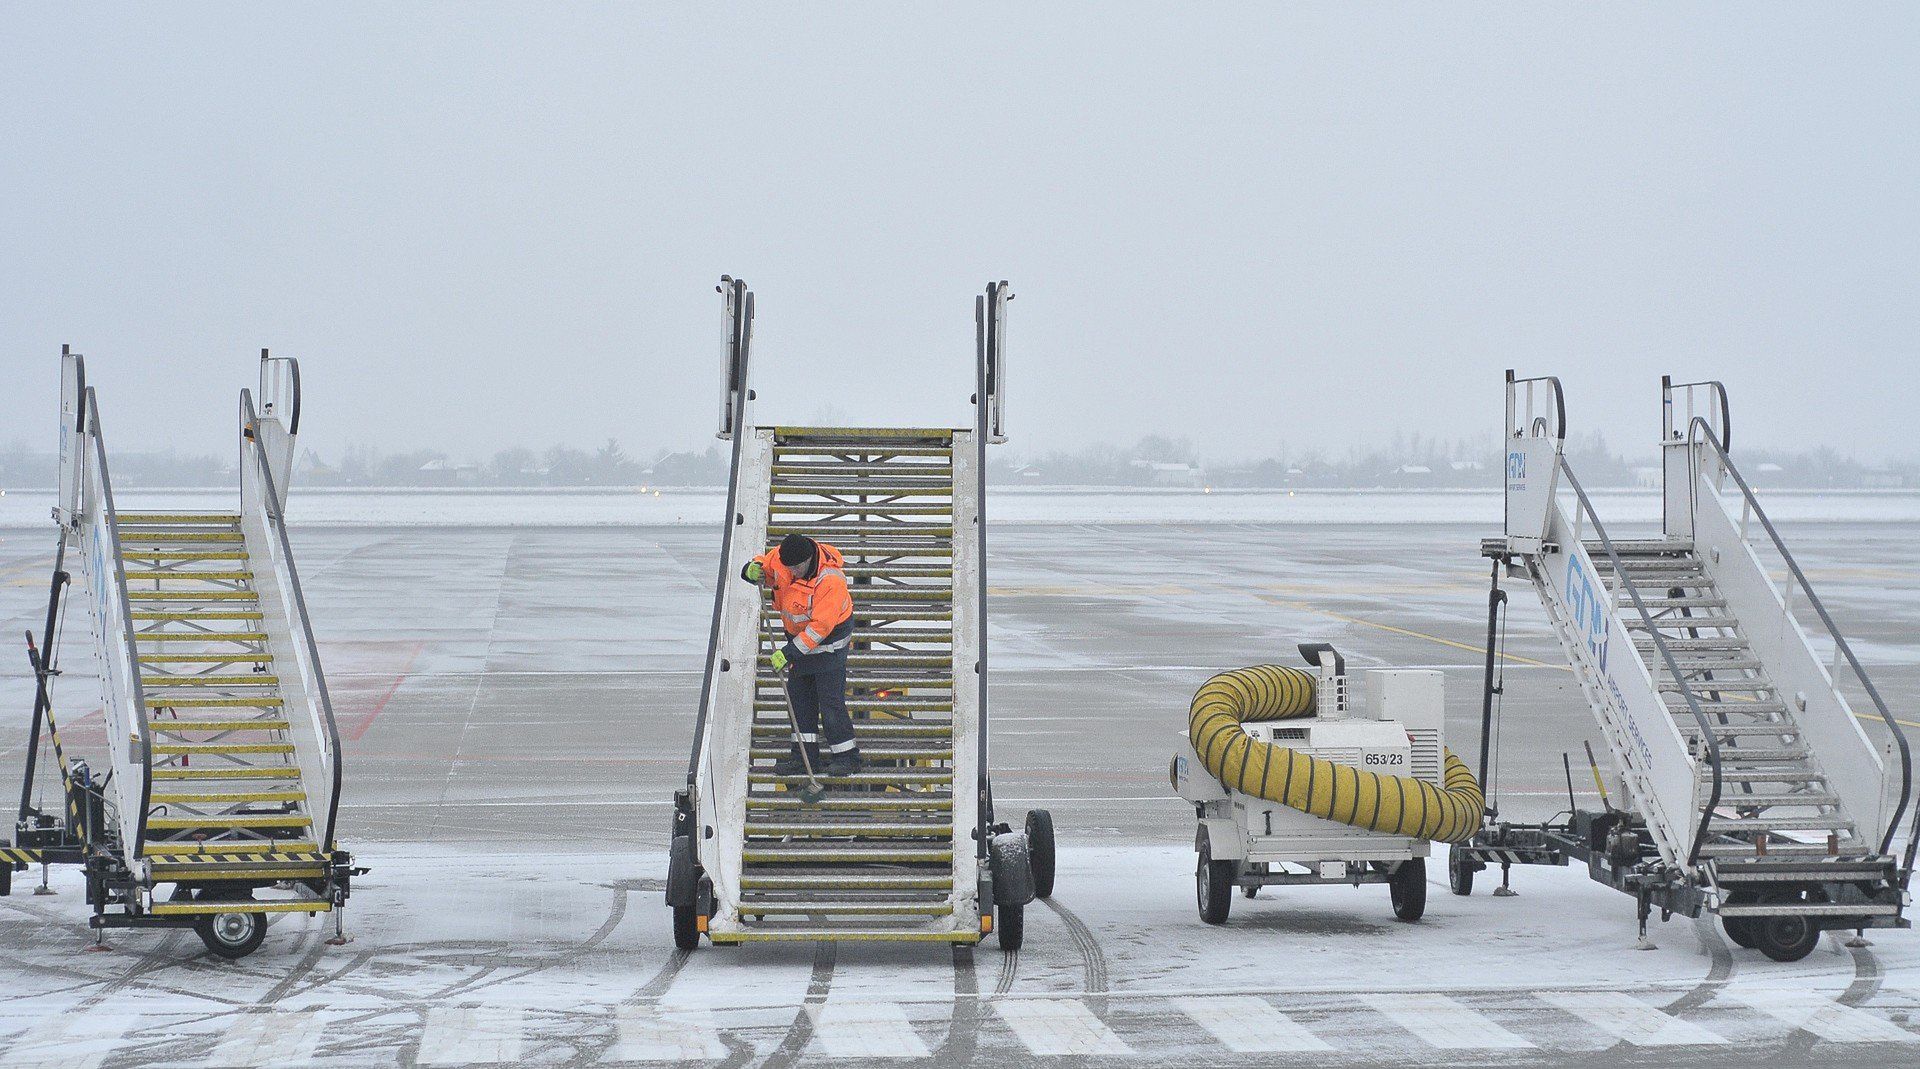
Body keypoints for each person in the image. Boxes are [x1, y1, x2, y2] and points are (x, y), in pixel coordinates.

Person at [742, 532, 862, 776]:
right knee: (800, 702)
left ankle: (847, 757)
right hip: (798, 641)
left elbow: (820, 628)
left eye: (797, 568)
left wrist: (789, 652)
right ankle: (804, 758)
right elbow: (764, 566)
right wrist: (751, 570)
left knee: (830, 703)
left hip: (829, 646)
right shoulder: (783, 558)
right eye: (789, 568)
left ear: (808, 560)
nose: (792, 573)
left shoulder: (830, 580)